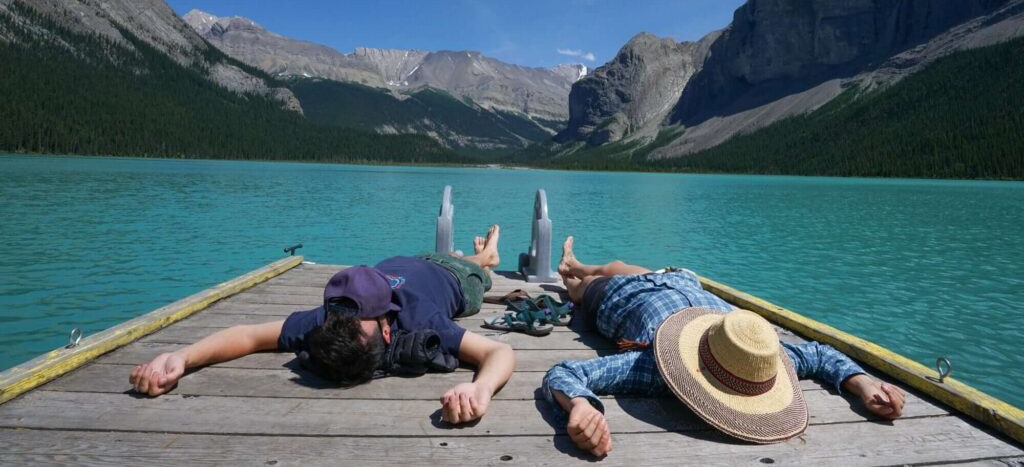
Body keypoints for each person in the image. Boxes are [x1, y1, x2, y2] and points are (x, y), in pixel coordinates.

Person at [544, 237, 906, 456]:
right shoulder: (757, 354)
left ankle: (569, 273)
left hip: (622, 295)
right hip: (681, 284)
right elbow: (818, 354)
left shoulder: (657, 370)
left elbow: (564, 373)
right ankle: (574, 261)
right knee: (616, 265)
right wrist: (863, 383)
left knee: (583, 288)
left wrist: (578, 404)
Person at [130, 225, 514, 426]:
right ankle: (483, 254)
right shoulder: (365, 320)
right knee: (462, 263)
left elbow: (247, 335)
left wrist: (181, 356)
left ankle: (482, 253)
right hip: (429, 272)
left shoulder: (382, 316)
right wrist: (481, 387)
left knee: (460, 261)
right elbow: (500, 351)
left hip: (430, 271)